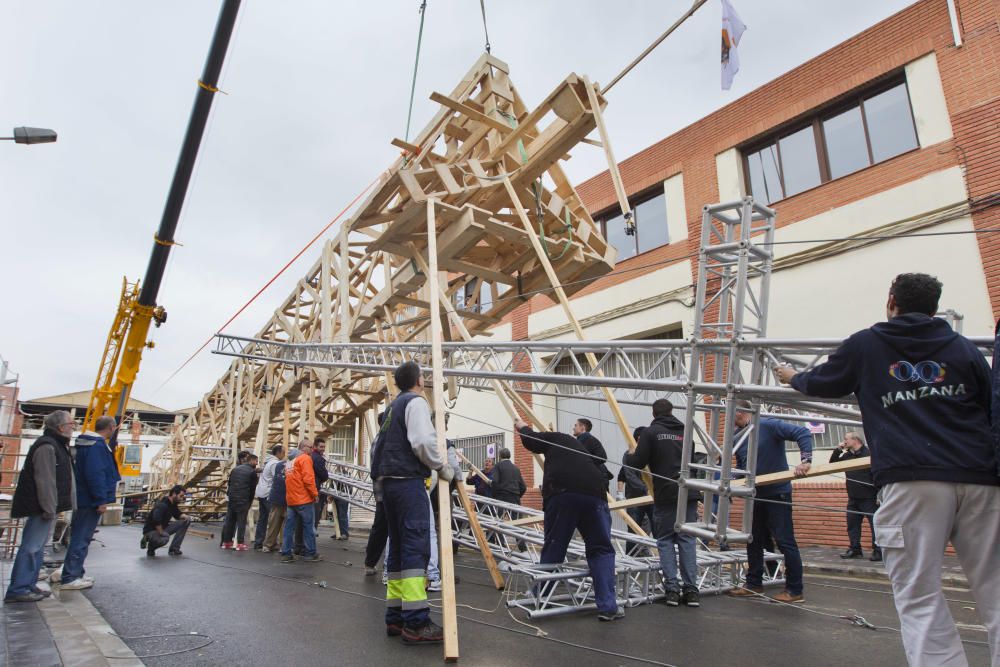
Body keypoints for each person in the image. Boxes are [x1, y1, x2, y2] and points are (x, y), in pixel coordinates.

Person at [776, 273, 1000, 666]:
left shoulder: (869, 343)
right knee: (996, 589)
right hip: (980, 476)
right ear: (934, 307)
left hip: (912, 480)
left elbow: (825, 382)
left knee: (919, 595)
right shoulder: (963, 348)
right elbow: (988, 405)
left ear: (891, 301)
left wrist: (794, 377)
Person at [371, 361, 456, 644]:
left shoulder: (392, 408)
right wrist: (441, 466)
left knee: (397, 548)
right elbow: (421, 441)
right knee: (415, 546)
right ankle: (416, 622)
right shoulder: (416, 403)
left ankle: (395, 617)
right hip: (407, 482)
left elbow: (378, 448)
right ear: (419, 380)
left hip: (388, 484)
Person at [514, 417, 623, 622]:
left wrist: (521, 426)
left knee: (555, 546)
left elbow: (532, 440)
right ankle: (608, 606)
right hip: (595, 495)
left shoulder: (556, 437)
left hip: (563, 494)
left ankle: (540, 597)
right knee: (601, 549)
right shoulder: (582, 450)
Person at [727, 402, 812, 604]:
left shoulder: (767, 425)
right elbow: (742, 466)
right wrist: (732, 482)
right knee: (753, 539)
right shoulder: (738, 437)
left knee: (784, 540)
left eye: (730, 414)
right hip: (755, 494)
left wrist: (806, 460)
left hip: (777, 493)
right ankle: (754, 583)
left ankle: (794, 590)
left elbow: (803, 432)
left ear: (739, 412)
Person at [623, 400, 699, 607]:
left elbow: (638, 462)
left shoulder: (651, 432)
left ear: (654, 413)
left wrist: (631, 455)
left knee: (665, 540)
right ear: (671, 411)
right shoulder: (685, 431)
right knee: (687, 540)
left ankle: (672, 590)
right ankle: (692, 591)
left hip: (666, 493)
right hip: (689, 491)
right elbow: (691, 459)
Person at [5, 411, 77, 603]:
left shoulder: (56, 445)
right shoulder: (47, 446)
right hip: (41, 506)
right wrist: (49, 507)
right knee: (31, 547)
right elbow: (45, 480)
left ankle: (28, 584)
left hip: (47, 506)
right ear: (61, 427)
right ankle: (19, 588)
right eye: (71, 424)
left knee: (37, 548)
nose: (73, 427)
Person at [60, 416, 122, 590]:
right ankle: (71, 576)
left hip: (84, 497)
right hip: (90, 499)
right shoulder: (96, 446)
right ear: (111, 427)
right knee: (82, 537)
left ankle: (74, 572)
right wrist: (100, 500)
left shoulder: (86, 443)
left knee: (80, 536)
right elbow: (96, 474)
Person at [829, 432, 880, 561]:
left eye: (846, 439)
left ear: (855, 440)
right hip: (853, 497)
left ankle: (878, 550)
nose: (844, 441)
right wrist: (838, 449)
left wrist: (879, 494)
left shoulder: (868, 454)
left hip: (869, 497)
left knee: (875, 525)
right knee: (852, 525)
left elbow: (877, 474)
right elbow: (833, 464)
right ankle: (855, 549)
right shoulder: (847, 455)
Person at [281, 440, 322, 563]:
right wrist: (315, 494)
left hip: (291, 500)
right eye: (311, 447)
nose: (312, 450)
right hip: (304, 499)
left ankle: (286, 554)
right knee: (308, 527)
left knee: (289, 528)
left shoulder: (290, 462)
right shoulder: (305, 458)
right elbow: (308, 479)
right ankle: (310, 553)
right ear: (304, 448)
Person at [618, 426, 655, 557]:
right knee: (633, 528)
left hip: (651, 497)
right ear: (640, 438)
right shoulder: (629, 454)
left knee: (652, 527)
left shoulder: (651, 452)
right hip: (635, 497)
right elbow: (629, 475)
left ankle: (645, 553)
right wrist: (646, 489)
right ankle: (631, 557)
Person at [221, 451, 257, 551]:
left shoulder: (235, 469)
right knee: (241, 521)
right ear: (252, 461)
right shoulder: (252, 472)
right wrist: (249, 502)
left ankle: (227, 542)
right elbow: (252, 489)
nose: (257, 463)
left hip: (232, 498)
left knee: (230, 520)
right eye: (256, 461)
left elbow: (230, 483)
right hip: (243, 499)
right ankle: (240, 543)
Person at [263, 448, 297, 552]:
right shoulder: (294, 466)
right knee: (288, 525)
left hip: (276, 497)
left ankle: (268, 545)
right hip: (287, 498)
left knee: (273, 523)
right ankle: (285, 547)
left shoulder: (279, 465)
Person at [141, 485, 191, 556]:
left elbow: (177, 514)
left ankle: (174, 549)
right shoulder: (162, 504)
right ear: (174, 494)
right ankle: (151, 547)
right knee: (165, 539)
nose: (182, 498)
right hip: (150, 531)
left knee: (185, 521)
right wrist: (162, 533)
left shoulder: (172, 504)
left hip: (162, 528)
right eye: (181, 496)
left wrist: (185, 516)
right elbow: (156, 520)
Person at [253, 445, 284, 550]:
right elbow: (278, 478)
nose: (284, 454)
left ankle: (259, 542)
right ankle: (270, 543)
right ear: (278, 453)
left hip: (261, 492)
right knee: (273, 520)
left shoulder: (268, 462)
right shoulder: (275, 464)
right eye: (283, 452)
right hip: (268, 493)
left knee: (263, 519)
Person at [572, 418, 614, 492]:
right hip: (588, 479)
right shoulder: (578, 442)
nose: (573, 428)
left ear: (582, 427)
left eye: (576, 425)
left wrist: (587, 464)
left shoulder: (591, 440)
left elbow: (602, 457)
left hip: (597, 479)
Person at [311, 437, 332, 532]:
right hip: (314, 489)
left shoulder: (309, 456)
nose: (323, 449)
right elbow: (324, 475)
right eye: (321, 447)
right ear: (315, 446)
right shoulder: (318, 459)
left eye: (324, 447)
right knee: (314, 514)